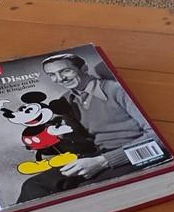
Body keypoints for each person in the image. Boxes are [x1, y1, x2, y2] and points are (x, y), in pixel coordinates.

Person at [14, 52, 151, 204]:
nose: (60, 79)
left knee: (86, 192)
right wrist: (49, 143)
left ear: (84, 68)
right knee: (33, 186)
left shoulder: (117, 90)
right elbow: (84, 143)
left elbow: (156, 138)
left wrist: (104, 161)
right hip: (96, 155)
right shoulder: (66, 100)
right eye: (52, 75)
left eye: (65, 71)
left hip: (131, 155)